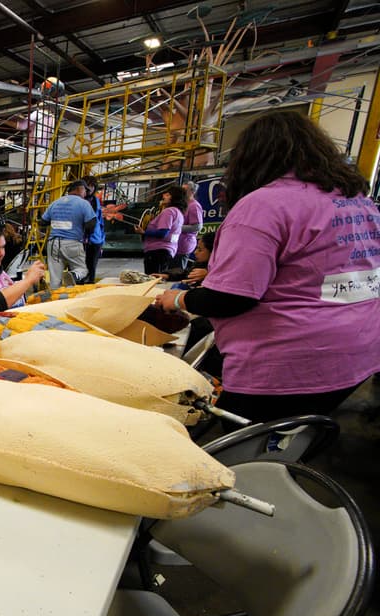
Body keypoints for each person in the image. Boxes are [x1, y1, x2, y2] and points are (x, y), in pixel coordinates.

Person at [154, 111, 380, 423]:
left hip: (287, 363)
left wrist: (178, 300)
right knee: (288, 439)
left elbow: (232, 297)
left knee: (232, 453)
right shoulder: (357, 201)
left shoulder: (266, 205)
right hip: (358, 352)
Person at [39, 179, 96, 288]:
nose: (86, 194)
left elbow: (43, 222)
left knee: (55, 279)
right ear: (80, 189)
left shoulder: (55, 203)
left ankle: (56, 301)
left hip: (53, 243)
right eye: (85, 191)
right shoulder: (83, 203)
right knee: (82, 270)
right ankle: (73, 276)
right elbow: (91, 224)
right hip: (72, 242)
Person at [136, 185, 186, 275]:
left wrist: (143, 232)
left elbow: (163, 233)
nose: (163, 197)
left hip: (157, 252)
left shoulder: (169, 212)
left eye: (167, 195)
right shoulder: (178, 212)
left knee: (153, 279)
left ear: (173, 197)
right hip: (167, 250)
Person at [174, 180, 203, 269]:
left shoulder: (194, 206)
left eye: (185, 190)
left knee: (177, 271)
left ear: (192, 191)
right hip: (177, 243)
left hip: (184, 244)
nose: (182, 192)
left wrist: (177, 227)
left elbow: (197, 226)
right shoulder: (183, 204)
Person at [81, 175, 105, 283]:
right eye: (87, 185)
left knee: (91, 269)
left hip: (95, 240)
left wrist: (102, 240)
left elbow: (100, 222)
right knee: (80, 269)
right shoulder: (79, 201)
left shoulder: (96, 201)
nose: (90, 188)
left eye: (92, 186)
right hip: (80, 240)